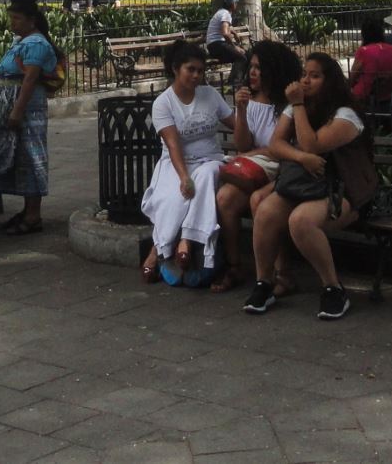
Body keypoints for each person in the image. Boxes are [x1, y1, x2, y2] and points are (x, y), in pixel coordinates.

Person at [244, 53, 377, 321]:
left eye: (314, 76)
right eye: (304, 74)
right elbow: (276, 144)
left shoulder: (345, 115)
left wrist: (298, 106)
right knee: (266, 211)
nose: (305, 80)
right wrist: (300, 158)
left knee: (301, 221)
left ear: (330, 81)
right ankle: (264, 282)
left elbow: (312, 144)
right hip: (304, 185)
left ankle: (333, 288)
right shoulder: (298, 107)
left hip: (342, 189)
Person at [139, 40, 235, 286]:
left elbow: (235, 123)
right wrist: (183, 177)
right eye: (190, 69)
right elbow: (173, 144)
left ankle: (187, 240)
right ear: (175, 69)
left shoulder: (210, 95)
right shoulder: (163, 103)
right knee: (173, 199)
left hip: (210, 160)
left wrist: (245, 111)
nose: (196, 76)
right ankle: (159, 251)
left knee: (206, 175)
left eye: (200, 71)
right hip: (176, 162)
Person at [210, 41, 299, 294]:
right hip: (256, 170)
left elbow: (280, 149)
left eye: (259, 67)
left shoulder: (288, 105)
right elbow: (242, 144)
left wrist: (252, 153)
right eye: (251, 66)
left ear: (274, 69)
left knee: (260, 202)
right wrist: (241, 109)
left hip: (282, 170)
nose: (252, 72)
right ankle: (235, 265)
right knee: (225, 198)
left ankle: (282, 273)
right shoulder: (251, 100)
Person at [0, 0, 58, 235]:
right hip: (15, 103)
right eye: (12, 18)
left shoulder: (36, 43)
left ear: (32, 20)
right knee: (20, 158)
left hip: (27, 109)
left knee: (31, 155)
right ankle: (27, 210)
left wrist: (17, 111)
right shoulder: (22, 41)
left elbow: (29, 79)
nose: (12, 23)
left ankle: (33, 215)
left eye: (17, 18)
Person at [348, 16, 392, 106]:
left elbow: (353, 76)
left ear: (364, 34)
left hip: (363, 97)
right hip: (386, 96)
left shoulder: (363, 51)